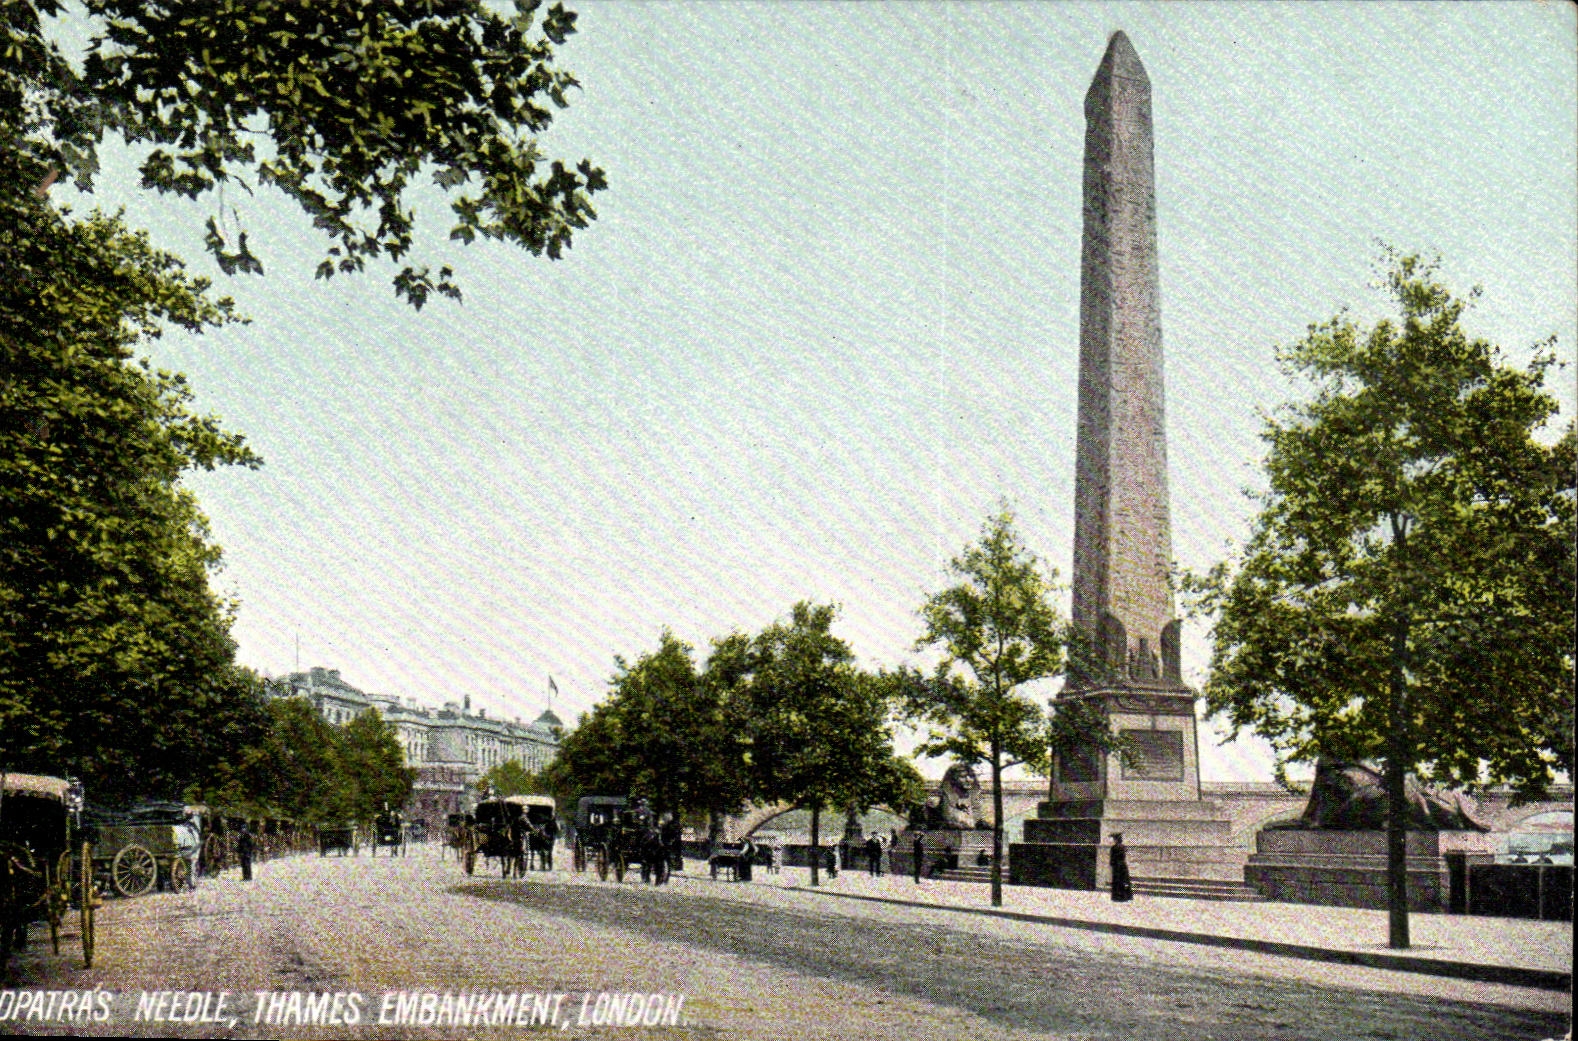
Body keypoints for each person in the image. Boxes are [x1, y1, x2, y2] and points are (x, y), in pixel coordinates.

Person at [1109, 832, 1133, 902]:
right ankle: (1126, 896)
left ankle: (1117, 897)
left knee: (1117, 881)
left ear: (1116, 840)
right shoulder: (1123, 847)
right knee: (1124, 880)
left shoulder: (1113, 847)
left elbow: (1112, 858)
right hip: (1123, 865)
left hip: (1117, 866)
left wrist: (1112, 864)